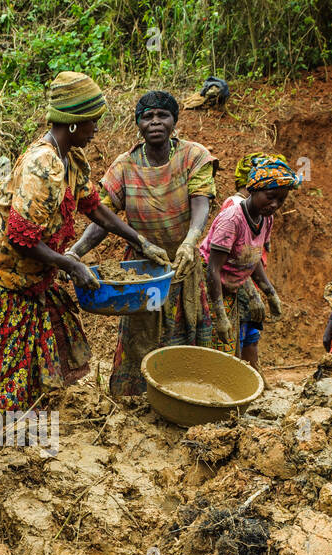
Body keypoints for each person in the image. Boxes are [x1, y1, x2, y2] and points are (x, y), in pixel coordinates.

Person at [0, 71, 169, 412]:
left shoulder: (71, 159)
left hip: (25, 276)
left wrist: (141, 242)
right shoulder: (44, 165)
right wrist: (69, 263)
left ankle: (13, 427)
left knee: (19, 362)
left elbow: (95, 209)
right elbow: (21, 237)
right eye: (92, 122)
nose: (96, 129)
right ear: (72, 123)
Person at [68, 91, 217, 396]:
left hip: (183, 264)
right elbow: (102, 217)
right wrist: (74, 253)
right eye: (147, 117)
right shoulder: (125, 166)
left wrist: (191, 241)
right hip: (144, 272)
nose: (155, 122)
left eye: (162, 115)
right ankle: (136, 402)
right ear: (137, 123)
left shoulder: (193, 156)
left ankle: (186, 399)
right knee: (142, 338)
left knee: (185, 335)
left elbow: (201, 201)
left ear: (174, 120)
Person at [198, 154, 299, 369]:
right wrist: (219, 315)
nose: (274, 204)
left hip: (230, 288)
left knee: (230, 349)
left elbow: (252, 260)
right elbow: (213, 269)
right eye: (270, 196)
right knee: (215, 351)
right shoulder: (232, 219)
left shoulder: (265, 219)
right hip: (207, 288)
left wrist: (270, 292)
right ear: (252, 189)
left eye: (281, 200)